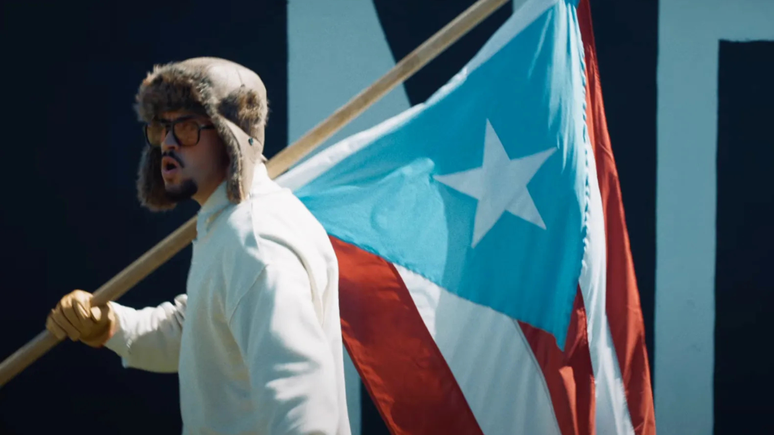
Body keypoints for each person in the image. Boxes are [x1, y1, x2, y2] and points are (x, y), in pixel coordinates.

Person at [45, 57, 351, 435]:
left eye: (188, 127)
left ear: (230, 136)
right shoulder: (230, 226)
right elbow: (200, 334)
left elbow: (303, 409)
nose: (168, 143)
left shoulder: (256, 242)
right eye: (162, 127)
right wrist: (109, 324)